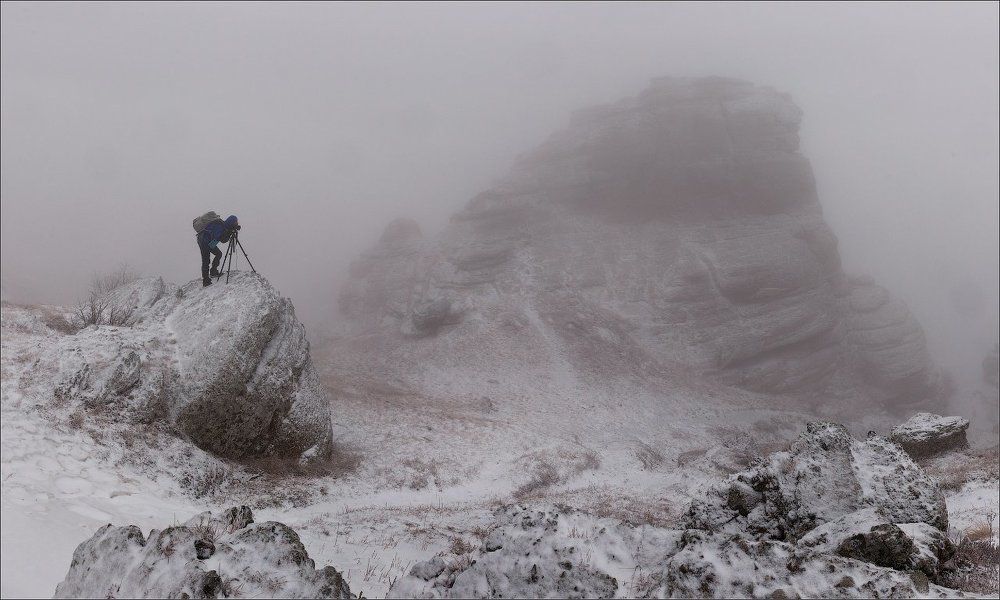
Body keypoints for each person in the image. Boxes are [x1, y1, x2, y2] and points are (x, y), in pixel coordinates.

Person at [197, 215, 240, 286]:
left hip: (210, 241)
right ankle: (206, 281)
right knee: (206, 260)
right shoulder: (220, 226)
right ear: (231, 222)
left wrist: (231, 230)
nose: (236, 224)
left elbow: (221, 239)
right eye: (235, 223)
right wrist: (229, 232)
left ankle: (213, 272)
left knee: (218, 254)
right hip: (203, 241)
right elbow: (222, 239)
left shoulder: (225, 226)